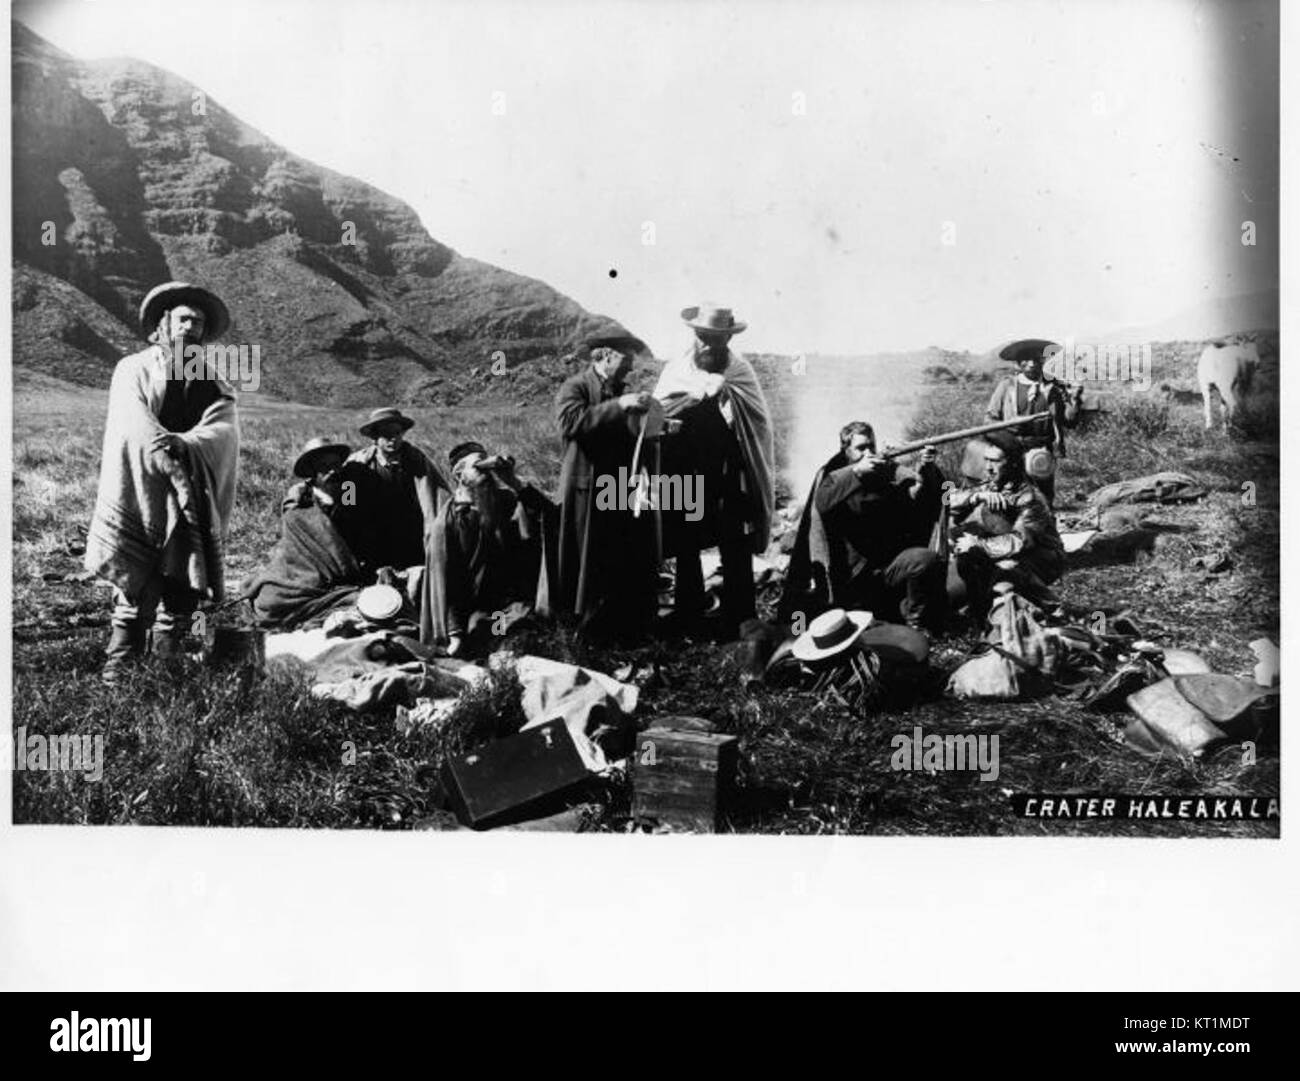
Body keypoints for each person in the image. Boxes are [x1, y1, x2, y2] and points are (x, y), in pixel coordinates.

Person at [84, 281, 240, 684]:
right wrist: (164, 452)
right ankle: (119, 672)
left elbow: (223, 427)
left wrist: (186, 445)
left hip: (191, 492)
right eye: (183, 319)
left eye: (199, 322)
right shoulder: (132, 369)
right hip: (142, 487)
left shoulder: (209, 378)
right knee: (135, 587)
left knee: (182, 588)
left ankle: (166, 672)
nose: (191, 327)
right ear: (164, 324)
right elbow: (133, 424)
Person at [655, 304, 775, 637]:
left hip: (727, 468)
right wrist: (683, 408)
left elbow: (757, 422)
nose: (709, 346)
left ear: (727, 340)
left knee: (734, 538)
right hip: (686, 468)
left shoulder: (739, 371)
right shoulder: (676, 369)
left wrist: (725, 399)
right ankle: (689, 614)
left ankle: (741, 616)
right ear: (695, 336)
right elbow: (659, 410)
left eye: (717, 340)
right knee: (686, 540)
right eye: (704, 338)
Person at [781, 421, 945, 632]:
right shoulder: (834, 474)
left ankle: (916, 626)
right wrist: (856, 472)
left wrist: (923, 473)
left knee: (924, 560)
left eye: (871, 447)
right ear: (846, 450)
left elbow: (913, 500)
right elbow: (822, 500)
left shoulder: (883, 473)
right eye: (860, 448)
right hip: (852, 580)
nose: (868, 453)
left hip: (886, 569)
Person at [553, 337, 659, 641]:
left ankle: (615, 625)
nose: (631, 367)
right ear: (606, 356)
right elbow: (571, 423)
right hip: (586, 486)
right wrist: (619, 406)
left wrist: (655, 429)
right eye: (626, 360)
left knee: (614, 553)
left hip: (617, 487)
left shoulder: (620, 391)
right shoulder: (575, 387)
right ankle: (584, 630)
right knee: (588, 558)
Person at [420, 441, 552, 656]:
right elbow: (446, 580)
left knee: (520, 626)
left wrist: (515, 483)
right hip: (477, 609)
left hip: (514, 601)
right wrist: (455, 633)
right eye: (477, 467)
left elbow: (547, 518)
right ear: (460, 476)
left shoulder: (506, 501)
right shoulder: (448, 523)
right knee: (489, 633)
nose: (487, 473)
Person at [242, 437, 370, 628]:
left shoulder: (347, 491)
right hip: (304, 575)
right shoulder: (299, 506)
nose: (333, 471)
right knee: (271, 600)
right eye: (324, 467)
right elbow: (295, 552)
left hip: (347, 574)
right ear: (312, 473)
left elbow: (355, 524)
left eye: (336, 465)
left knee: (369, 597)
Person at [946, 430, 1064, 620]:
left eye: (996, 461)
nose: (989, 468)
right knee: (949, 595)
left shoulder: (1029, 497)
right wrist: (976, 496)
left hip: (1040, 557)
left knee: (1004, 573)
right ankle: (983, 606)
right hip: (998, 551)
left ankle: (1048, 606)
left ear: (1013, 463)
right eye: (986, 460)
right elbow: (948, 502)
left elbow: (1020, 541)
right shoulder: (991, 485)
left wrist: (978, 545)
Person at [346, 407, 450, 572]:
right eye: (386, 435)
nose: (393, 439)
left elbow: (437, 493)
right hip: (373, 534)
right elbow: (347, 501)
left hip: (410, 533)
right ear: (374, 437)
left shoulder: (416, 460)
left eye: (397, 433)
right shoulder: (355, 464)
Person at [984, 338, 1083, 505]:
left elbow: (1069, 422)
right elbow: (990, 420)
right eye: (1026, 359)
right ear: (1018, 363)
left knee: (1042, 498)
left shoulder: (1054, 389)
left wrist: (1075, 398)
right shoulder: (1007, 386)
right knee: (1009, 496)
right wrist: (1010, 440)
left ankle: (1043, 529)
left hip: (1041, 451)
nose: (1031, 363)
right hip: (1011, 450)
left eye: (1036, 359)